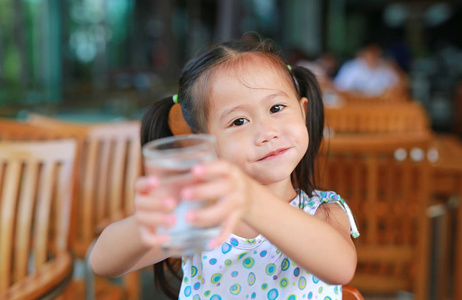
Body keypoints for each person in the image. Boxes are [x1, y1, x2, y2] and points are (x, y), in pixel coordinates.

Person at [90, 37, 360, 299]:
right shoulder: (203, 219)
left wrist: (252, 201)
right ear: (206, 143)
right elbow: (102, 263)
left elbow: (340, 268)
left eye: (276, 107)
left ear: (302, 112)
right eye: (239, 121)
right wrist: (149, 222)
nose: (267, 132)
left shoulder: (324, 211)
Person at [334, 43, 401, 96]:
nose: (372, 57)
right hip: (354, 103)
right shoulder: (351, 68)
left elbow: (398, 86)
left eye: (375, 54)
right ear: (362, 53)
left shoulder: (386, 68)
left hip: (380, 105)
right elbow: (339, 88)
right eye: (369, 53)